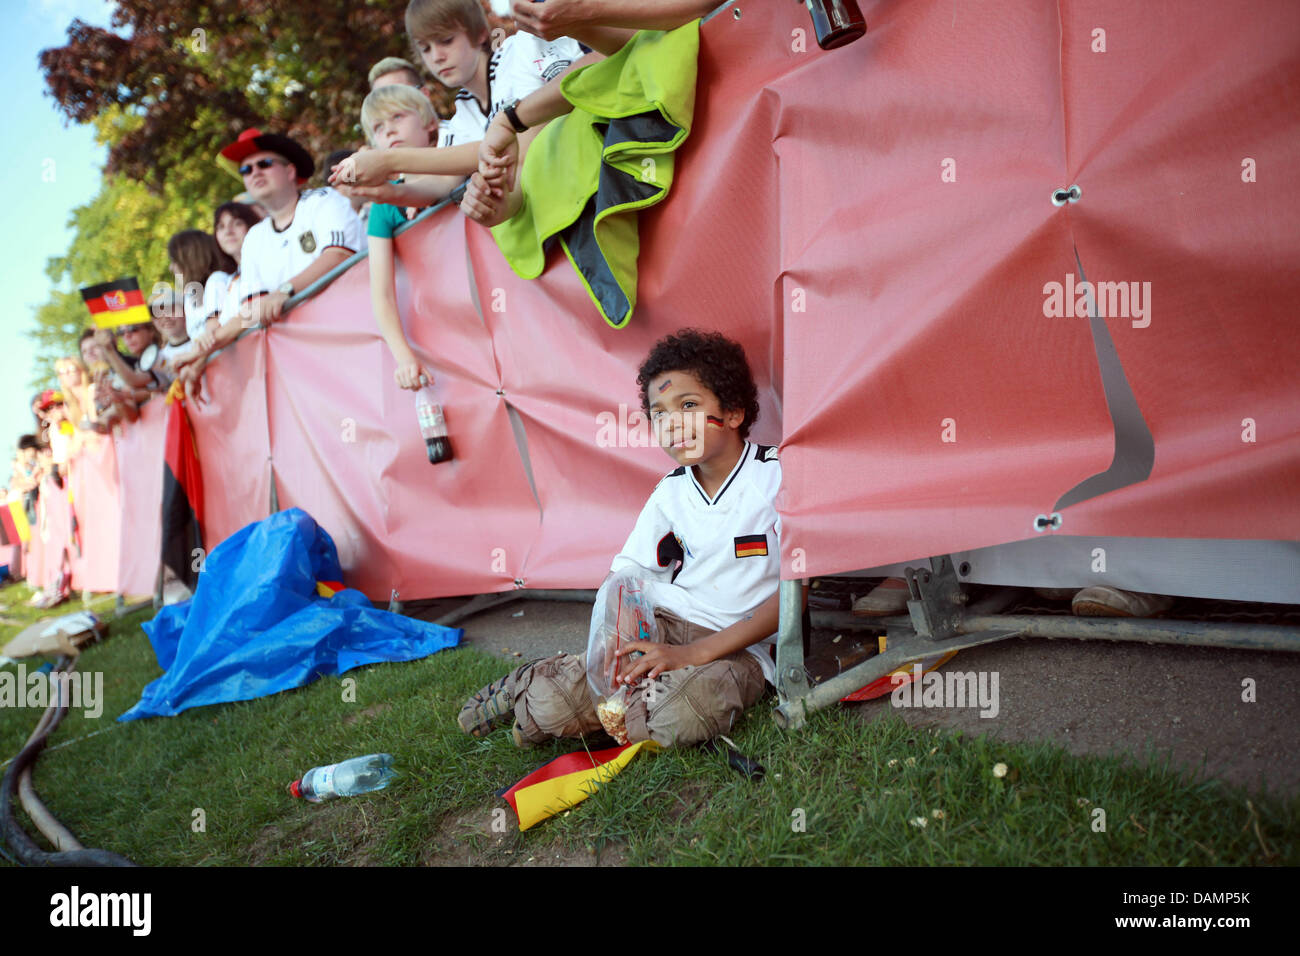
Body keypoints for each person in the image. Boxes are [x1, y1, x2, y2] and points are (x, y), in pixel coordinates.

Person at [458, 329, 782, 749]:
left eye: (688, 405)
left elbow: (796, 594)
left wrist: (694, 656)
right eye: (659, 413)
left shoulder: (776, 476)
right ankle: (541, 683)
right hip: (666, 626)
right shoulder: (670, 492)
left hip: (741, 649)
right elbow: (626, 578)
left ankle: (600, 710)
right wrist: (620, 652)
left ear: (734, 411)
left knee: (681, 716)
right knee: (556, 704)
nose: (672, 424)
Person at [328, 0, 587, 210]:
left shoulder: (520, 52)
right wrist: (393, 192)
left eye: (446, 41)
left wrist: (389, 160)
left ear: (481, 34)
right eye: (425, 48)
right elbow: (442, 182)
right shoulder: (463, 113)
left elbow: (521, 141)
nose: (437, 56)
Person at [210, 129, 363, 336]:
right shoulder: (254, 238)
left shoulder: (325, 200)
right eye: (246, 169)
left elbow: (339, 255)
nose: (255, 172)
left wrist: (284, 291)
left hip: (354, 330)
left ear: (290, 172)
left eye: (264, 164)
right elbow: (253, 308)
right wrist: (204, 349)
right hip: (302, 354)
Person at [360, 83, 444, 389]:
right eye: (379, 127)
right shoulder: (383, 206)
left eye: (397, 117)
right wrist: (403, 356)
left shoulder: (458, 161)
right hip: (441, 324)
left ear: (429, 122)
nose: (390, 131)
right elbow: (381, 292)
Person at [166, 230, 236, 344]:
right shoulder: (189, 298)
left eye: (175, 261)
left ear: (191, 261)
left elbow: (212, 337)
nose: (171, 267)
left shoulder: (216, 280)